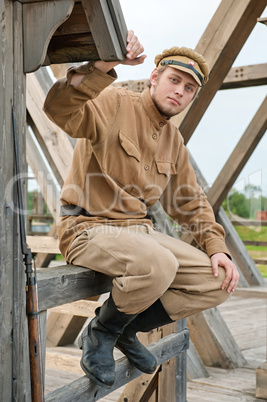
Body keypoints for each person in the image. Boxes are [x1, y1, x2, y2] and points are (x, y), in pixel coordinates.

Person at [44, 31, 240, 388]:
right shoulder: (115, 102)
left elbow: (190, 201)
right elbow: (59, 108)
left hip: (139, 235)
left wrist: (217, 248)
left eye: (188, 88)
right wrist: (102, 66)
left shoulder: (173, 140)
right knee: (158, 263)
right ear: (154, 78)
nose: (179, 91)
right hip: (87, 227)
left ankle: (125, 329)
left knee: (219, 281)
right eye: (174, 80)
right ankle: (101, 332)